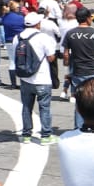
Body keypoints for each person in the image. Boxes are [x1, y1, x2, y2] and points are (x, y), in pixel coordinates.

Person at [14, 13, 58, 143]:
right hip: (42, 78)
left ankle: (26, 134)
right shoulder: (43, 37)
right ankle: (46, 136)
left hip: (25, 79)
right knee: (44, 107)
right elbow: (51, 57)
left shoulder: (18, 38)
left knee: (26, 107)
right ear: (38, 24)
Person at [63, 7, 94, 130]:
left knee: (79, 100)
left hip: (78, 71)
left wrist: (68, 69)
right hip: (93, 70)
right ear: (88, 18)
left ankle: (79, 127)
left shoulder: (70, 33)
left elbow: (65, 54)